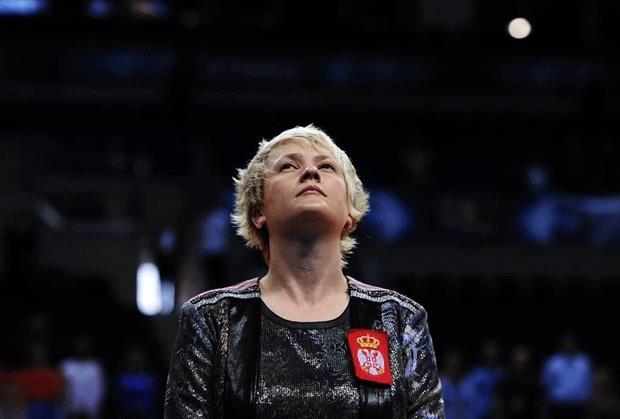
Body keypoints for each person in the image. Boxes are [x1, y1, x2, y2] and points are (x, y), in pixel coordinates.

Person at [164, 124, 445, 418]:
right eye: (288, 166)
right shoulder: (212, 318)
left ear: (350, 213)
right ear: (259, 211)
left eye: (326, 167)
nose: (311, 172)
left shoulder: (399, 319)